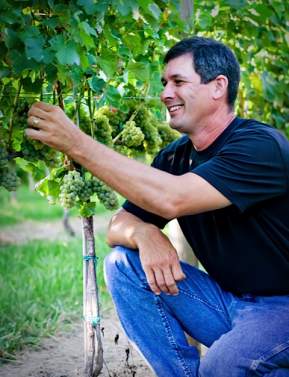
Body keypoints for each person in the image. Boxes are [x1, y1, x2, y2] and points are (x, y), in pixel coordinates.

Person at [26, 36, 289, 377]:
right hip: (230, 303)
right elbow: (118, 225)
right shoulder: (175, 156)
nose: (165, 93)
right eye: (164, 83)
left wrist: (77, 144)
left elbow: (172, 197)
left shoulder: (260, 146)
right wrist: (145, 232)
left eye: (179, 82)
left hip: (283, 309)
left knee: (221, 369)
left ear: (218, 86)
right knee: (123, 263)